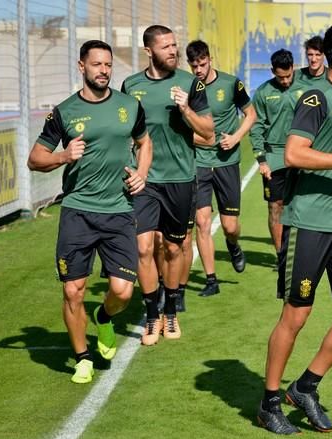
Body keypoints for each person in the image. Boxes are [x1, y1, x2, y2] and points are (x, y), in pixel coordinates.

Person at [257, 21, 332, 435]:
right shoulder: (316, 96)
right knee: (296, 316)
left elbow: (329, 154)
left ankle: (306, 386)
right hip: (309, 224)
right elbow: (294, 154)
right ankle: (269, 402)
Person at [27, 40, 152, 382]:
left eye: (108, 65)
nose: (104, 71)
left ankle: (104, 317)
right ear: (82, 67)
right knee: (72, 290)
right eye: (96, 65)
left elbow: (145, 142)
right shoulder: (64, 111)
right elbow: (35, 159)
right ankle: (82, 356)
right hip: (78, 211)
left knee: (124, 292)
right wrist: (63, 157)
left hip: (119, 210)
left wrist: (141, 173)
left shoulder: (129, 105)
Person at [122, 25, 214, 344]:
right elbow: (123, 130)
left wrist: (186, 109)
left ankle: (171, 311)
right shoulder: (130, 86)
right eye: (166, 47)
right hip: (144, 180)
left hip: (180, 179)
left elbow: (209, 132)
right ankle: (151, 316)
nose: (173, 51)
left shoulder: (191, 83)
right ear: (149, 51)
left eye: (175, 45)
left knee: (174, 248)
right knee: (144, 247)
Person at [186, 39, 255, 297]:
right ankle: (211, 279)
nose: (198, 70)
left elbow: (251, 115)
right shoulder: (187, 87)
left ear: (210, 59)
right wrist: (198, 139)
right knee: (202, 222)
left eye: (202, 64)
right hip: (199, 163)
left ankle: (233, 245)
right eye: (194, 66)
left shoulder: (231, 83)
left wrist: (236, 137)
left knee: (229, 226)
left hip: (227, 162)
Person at [250, 49, 296, 255]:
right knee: (275, 206)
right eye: (280, 77)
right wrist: (261, 160)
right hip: (274, 158)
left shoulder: (306, 88)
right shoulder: (263, 93)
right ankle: (281, 255)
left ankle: (301, 252)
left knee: (301, 206)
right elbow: (256, 126)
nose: (285, 81)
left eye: (288, 76)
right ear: (272, 72)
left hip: (301, 155)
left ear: (293, 68)